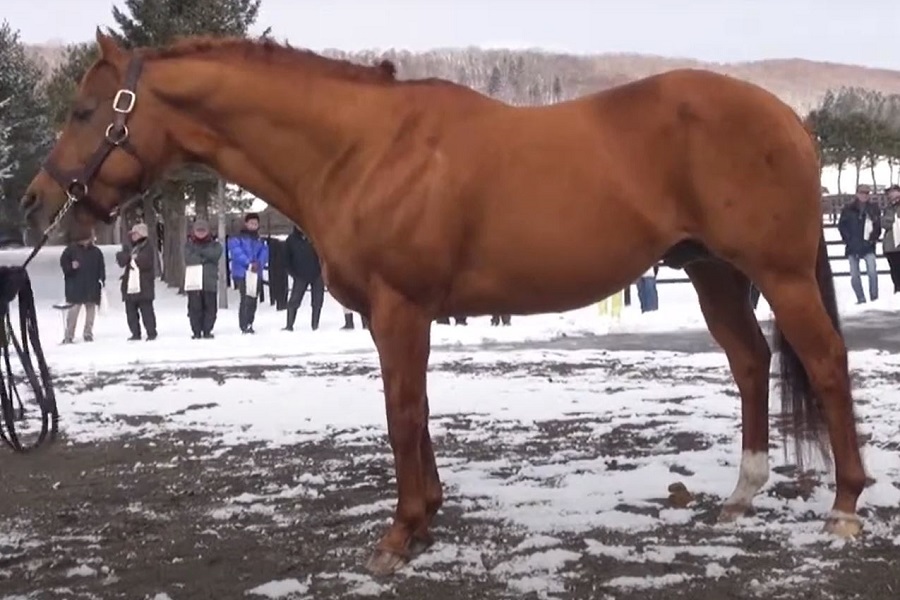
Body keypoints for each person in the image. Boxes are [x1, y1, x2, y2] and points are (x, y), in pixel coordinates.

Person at [838, 184, 881, 304]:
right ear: (857, 194)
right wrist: (848, 240)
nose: (864, 195)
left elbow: (877, 226)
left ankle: (874, 298)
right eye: (862, 192)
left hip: (868, 245)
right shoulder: (848, 208)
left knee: (872, 272)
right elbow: (842, 226)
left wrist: (873, 239)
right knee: (855, 275)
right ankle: (860, 298)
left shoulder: (873, 208)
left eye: (867, 193)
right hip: (853, 246)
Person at [59, 231, 106, 344]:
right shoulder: (70, 250)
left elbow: (101, 268)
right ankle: (69, 335)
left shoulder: (96, 252)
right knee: (73, 312)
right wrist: (71, 267)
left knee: (90, 312)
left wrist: (101, 281)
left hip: (92, 286)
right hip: (75, 286)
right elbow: (64, 265)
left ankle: (88, 333)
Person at [227, 213, 269, 333]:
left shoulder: (259, 239)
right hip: (243, 273)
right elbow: (236, 252)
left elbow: (264, 252)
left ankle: (250, 322)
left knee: (253, 298)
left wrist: (259, 263)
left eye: (256, 223)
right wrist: (248, 263)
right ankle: (244, 324)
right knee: (246, 298)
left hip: (256, 272)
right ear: (246, 223)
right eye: (251, 223)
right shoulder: (237, 238)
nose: (253, 225)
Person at [115, 223, 158, 341]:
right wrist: (129, 256)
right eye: (133, 233)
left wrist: (134, 258)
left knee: (146, 311)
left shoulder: (148, 246)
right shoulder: (128, 246)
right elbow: (121, 260)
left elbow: (146, 262)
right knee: (130, 312)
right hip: (129, 283)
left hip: (144, 284)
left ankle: (151, 332)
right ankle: (135, 333)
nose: (133, 236)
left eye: (136, 233)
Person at [184, 219, 223, 339]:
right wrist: (205, 258)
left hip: (209, 281)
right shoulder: (188, 245)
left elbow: (215, 255)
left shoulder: (215, 245)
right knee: (194, 308)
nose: (200, 233)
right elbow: (189, 259)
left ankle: (207, 330)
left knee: (210, 308)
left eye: (203, 230)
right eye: (198, 230)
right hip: (194, 281)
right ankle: (196, 331)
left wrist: (200, 254)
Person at [284, 226, 324, 331]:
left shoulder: (317, 237)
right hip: (300, 274)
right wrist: (293, 273)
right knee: (294, 300)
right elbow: (286, 258)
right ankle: (289, 325)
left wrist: (323, 271)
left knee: (317, 300)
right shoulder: (291, 240)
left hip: (318, 274)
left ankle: (315, 325)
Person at [880, 185, 900, 293]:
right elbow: (884, 223)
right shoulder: (887, 208)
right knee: (894, 269)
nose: (892, 195)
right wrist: (893, 220)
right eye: (890, 193)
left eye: (894, 192)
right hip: (891, 245)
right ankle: (897, 289)